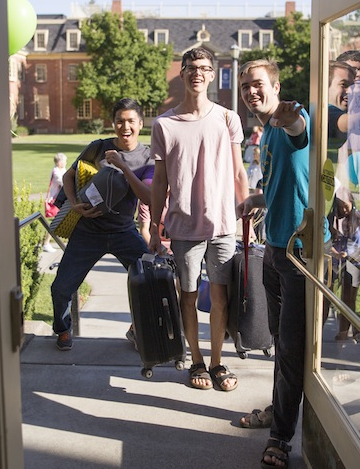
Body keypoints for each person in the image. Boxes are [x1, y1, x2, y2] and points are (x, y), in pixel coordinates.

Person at [149, 46, 250, 392]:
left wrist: (246, 210)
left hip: (222, 224)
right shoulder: (164, 125)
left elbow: (238, 172)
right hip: (183, 226)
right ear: (183, 73)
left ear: (211, 74)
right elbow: (160, 182)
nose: (197, 73)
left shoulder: (227, 118)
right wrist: (152, 227)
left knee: (220, 297)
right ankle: (196, 361)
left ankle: (218, 361)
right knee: (188, 296)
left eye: (204, 68)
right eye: (191, 67)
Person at [235, 59, 311, 468]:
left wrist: (293, 121)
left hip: (300, 256)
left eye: (258, 84)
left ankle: (280, 438)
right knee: (280, 346)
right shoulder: (263, 134)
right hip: (274, 250)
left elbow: (300, 136)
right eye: (246, 86)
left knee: (292, 348)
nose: (251, 92)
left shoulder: (291, 120)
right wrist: (255, 199)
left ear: (276, 85)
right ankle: (277, 411)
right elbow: (287, 182)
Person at [50, 98, 154, 351]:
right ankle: (63, 330)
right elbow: (69, 175)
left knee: (150, 281)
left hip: (123, 232)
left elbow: (148, 196)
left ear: (141, 123)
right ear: (113, 123)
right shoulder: (98, 148)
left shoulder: (148, 156)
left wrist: (122, 166)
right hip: (88, 232)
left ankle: (137, 329)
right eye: (120, 121)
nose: (125, 126)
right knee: (61, 287)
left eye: (131, 121)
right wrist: (74, 203)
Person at [329, 186, 360, 341]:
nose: (344, 210)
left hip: (354, 264)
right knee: (325, 298)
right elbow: (324, 242)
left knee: (348, 298)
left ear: (352, 202)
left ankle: (345, 331)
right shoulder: (331, 220)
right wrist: (336, 253)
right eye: (340, 206)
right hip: (333, 263)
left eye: (346, 206)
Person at [43, 152, 67, 252]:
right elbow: (63, 182)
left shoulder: (61, 170)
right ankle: (46, 243)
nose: (66, 163)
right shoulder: (56, 172)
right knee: (56, 222)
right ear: (60, 162)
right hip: (55, 200)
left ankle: (50, 242)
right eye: (64, 161)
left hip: (59, 200)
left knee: (60, 221)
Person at [327, 60, 356, 140]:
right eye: (343, 84)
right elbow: (349, 122)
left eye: (352, 87)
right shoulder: (326, 113)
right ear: (325, 87)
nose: (350, 91)